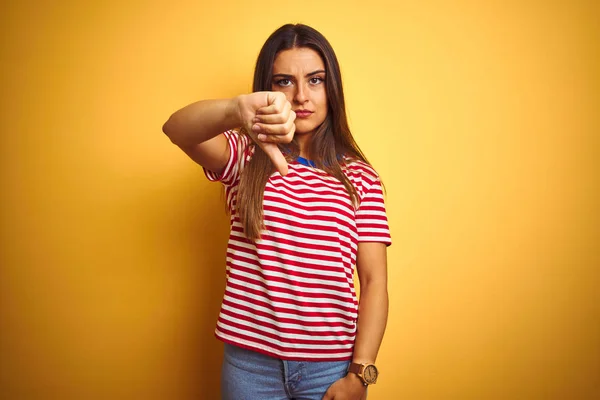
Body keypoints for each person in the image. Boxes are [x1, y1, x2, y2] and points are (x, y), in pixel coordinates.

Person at [163, 23, 391, 400]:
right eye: (284, 81)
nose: (301, 96)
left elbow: (374, 283)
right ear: (267, 90)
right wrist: (237, 109)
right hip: (250, 367)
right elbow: (176, 129)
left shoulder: (360, 178)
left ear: (331, 88)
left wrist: (360, 374)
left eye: (315, 80)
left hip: (329, 369)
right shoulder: (245, 156)